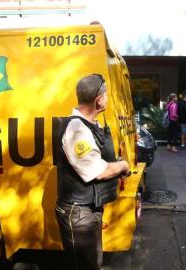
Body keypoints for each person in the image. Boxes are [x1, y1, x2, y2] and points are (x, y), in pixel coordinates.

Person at [55, 74, 130, 270]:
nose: (107, 98)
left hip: (88, 210)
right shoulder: (77, 131)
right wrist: (123, 166)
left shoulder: (89, 125)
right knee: (85, 266)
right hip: (78, 212)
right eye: (106, 95)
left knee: (93, 263)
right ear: (98, 100)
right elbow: (99, 171)